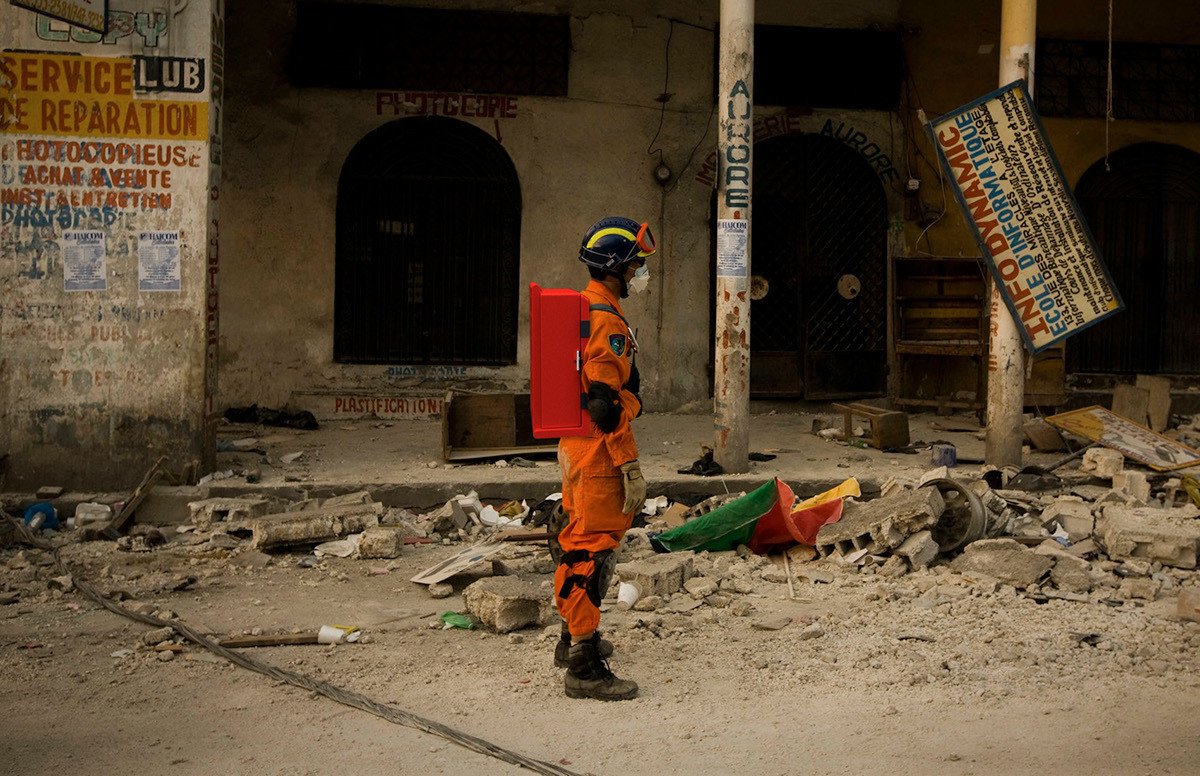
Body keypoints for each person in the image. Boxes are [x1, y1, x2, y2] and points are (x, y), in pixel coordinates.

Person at [550, 216, 655, 701]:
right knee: (590, 550)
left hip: (576, 446)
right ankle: (583, 666)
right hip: (597, 450)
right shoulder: (607, 319)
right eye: (635, 265)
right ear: (615, 268)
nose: (638, 273)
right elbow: (605, 404)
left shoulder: (585, 305)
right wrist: (627, 463)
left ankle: (572, 638)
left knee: (579, 539)